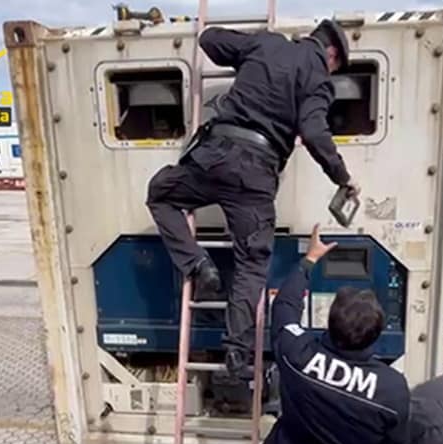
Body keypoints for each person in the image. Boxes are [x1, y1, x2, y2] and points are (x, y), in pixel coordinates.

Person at [145, 19, 361, 379]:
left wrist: (243, 49)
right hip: (256, 176)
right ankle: (236, 350)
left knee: (160, 194)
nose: (332, 70)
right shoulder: (318, 80)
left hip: (213, 158)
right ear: (332, 52)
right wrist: (343, 176)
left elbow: (210, 39)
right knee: (252, 262)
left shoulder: (266, 44)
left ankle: (198, 264)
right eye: (336, 66)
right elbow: (313, 132)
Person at [255, 224, 411, 444]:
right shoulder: (392, 389)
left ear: (330, 323)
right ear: (375, 335)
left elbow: (284, 308)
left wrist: (309, 260)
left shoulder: (296, 353)